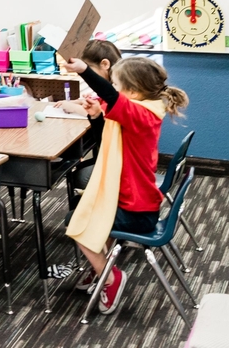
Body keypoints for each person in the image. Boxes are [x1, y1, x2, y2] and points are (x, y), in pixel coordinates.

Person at [61, 55, 188, 315]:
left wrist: (84, 70)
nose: (114, 91)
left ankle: (110, 277)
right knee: (86, 215)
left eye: (118, 86)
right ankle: (101, 268)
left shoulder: (142, 114)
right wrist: (97, 117)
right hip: (133, 201)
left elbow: (107, 93)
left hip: (137, 211)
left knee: (78, 222)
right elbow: (105, 144)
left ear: (133, 91)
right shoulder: (143, 110)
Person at [56, 39, 123, 191]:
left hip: (120, 165)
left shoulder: (119, 92)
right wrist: (86, 106)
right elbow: (105, 101)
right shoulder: (115, 87)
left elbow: (109, 104)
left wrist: (74, 107)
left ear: (105, 64)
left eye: (90, 70)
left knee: (76, 174)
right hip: (115, 157)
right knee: (76, 168)